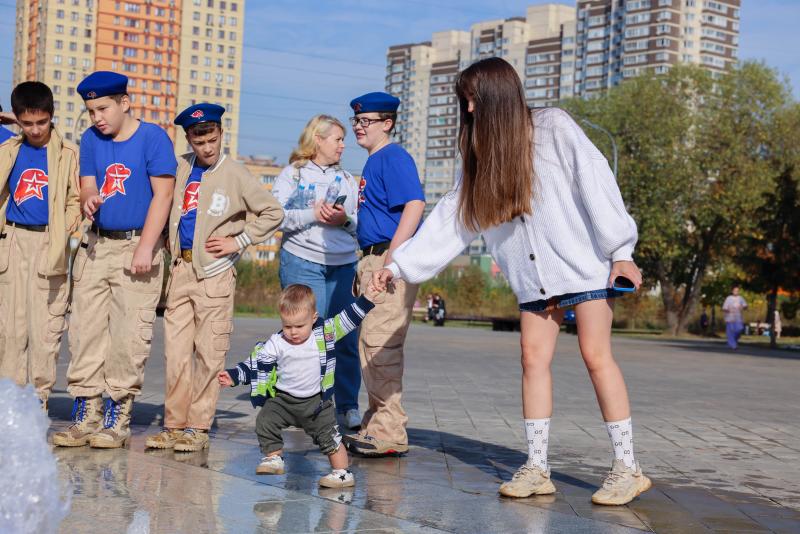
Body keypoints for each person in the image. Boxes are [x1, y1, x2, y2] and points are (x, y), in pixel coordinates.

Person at [371, 57, 651, 506]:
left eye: (473, 98)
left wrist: (621, 252)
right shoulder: (479, 155)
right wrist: (399, 265)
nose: (467, 108)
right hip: (532, 277)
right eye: (464, 100)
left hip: (582, 266)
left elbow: (595, 181)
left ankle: (627, 468)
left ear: (497, 96)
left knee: (596, 356)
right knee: (531, 360)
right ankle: (537, 466)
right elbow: (452, 217)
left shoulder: (554, 127)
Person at [144, 103, 284, 453]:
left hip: (215, 275)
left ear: (221, 134)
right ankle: (175, 424)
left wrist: (239, 240)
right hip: (180, 271)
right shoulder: (179, 166)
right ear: (188, 138)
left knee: (209, 352)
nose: (206, 147)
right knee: (175, 354)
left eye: (212, 139)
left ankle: (197, 426)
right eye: (198, 140)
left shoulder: (234, 172)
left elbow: (272, 212)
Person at [53, 71, 177, 449]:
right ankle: (86, 412)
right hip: (96, 246)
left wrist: (146, 247)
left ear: (124, 103)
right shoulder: (91, 139)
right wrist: (89, 197)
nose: (96, 118)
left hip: (136, 246)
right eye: (90, 111)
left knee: (128, 334)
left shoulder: (153, 138)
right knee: (86, 329)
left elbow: (164, 194)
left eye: (102, 108)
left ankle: (117, 415)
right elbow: (88, 181)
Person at [217, 284, 378, 487]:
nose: (293, 332)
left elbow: (348, 319)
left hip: (317, 403)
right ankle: (274, 458)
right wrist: (234, 376)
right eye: (287, 326)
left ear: (313, 318)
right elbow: (256, 363)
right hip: (283, 400)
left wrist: (367, 299)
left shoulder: (325, 333)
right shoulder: (277, 342)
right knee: (265, 420)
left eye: (299, 326)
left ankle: (342, 473)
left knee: (330, 438)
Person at [344, 91, 425, 457]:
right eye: (356, 121)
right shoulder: (375, 161)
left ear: (387, 123)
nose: (359, 127)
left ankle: (390, 431)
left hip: (388, 262)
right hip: (372, 260)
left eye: (366, 121)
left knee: (381, 344)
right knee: (370, 344)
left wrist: (391, 259)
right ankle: (376, 423)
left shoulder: (393, 157)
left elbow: (415, 203)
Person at [271, 115, 362, 431]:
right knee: (306, 336)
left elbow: (361, 226)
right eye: (337, 138)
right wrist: (314, 214)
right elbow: (274, 215)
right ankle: (301, 404)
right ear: (318, 139)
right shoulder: (293, 174)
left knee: (346, 337)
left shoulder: (349, 180)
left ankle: (348, 405)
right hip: (302, 262)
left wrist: (344, 221)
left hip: (344, 266)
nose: (343, 145)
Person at [0, 82, 81, 410]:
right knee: (11, 330)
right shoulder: (8, 150)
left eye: (42, 122)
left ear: (52, 117)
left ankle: (37, 403)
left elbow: (75, 201)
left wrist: (63, 233)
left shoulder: (67, 153)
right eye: (27, 123)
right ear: (17, 120)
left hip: (50, 243)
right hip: (13, 242)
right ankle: (10, 403)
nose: (35, 129)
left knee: (45, 332)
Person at [722, 284, 747, 350]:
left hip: (738, 318)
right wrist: (728, 310)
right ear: (732, 291)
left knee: (739, 329)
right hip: (730, 318)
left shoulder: (740, 298)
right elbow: (724, 308)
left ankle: (734, 341)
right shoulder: (729, 298)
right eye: (735, 291)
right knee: (730, 332)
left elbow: (745, 306)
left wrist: (742, 307)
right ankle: (733, 345)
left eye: (737, 291)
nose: (736, 292)